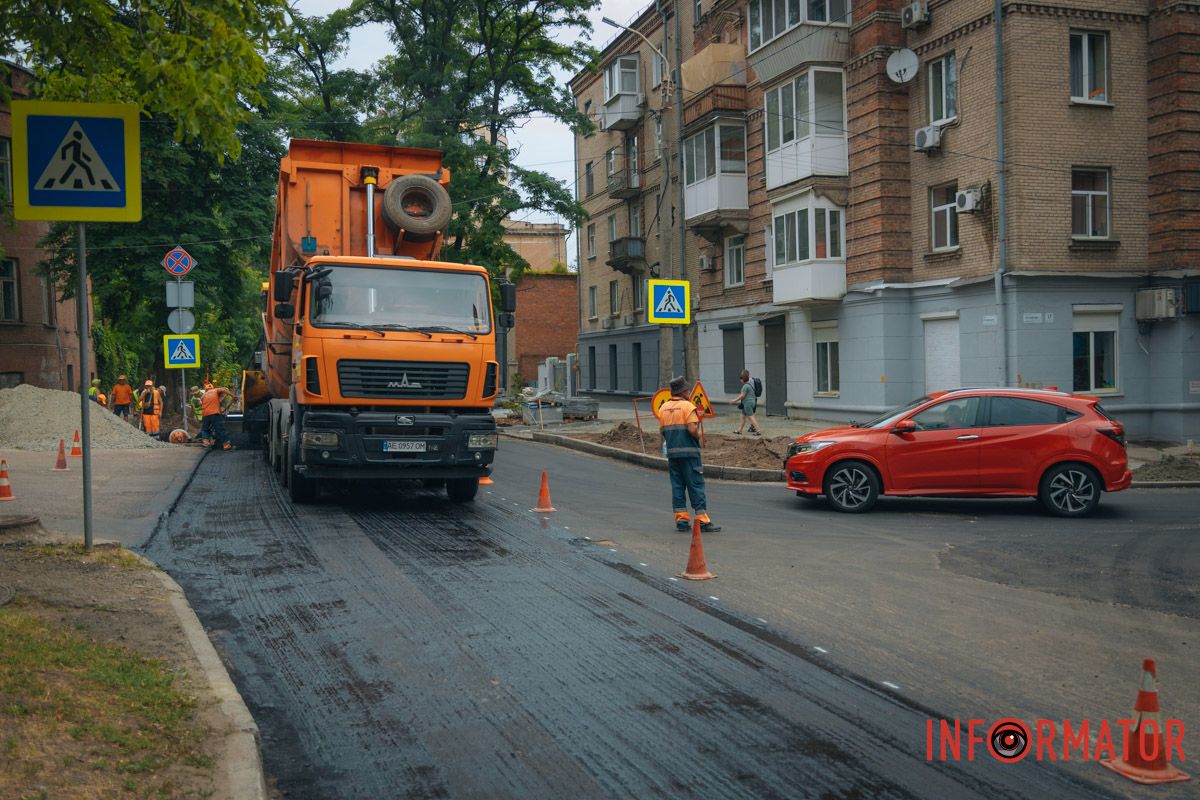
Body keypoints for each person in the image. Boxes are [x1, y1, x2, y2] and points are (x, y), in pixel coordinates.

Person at [658, 376, 721, 533]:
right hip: (690, 454)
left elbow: (662, 431)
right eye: (688, 390)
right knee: (696, 485)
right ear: (684, 391)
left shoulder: (663, 408)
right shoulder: (687, 406)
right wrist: (699, 436)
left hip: (673, 455)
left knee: (678, 486)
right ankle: (702, 520)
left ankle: (681, 521)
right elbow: (692, 428)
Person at [199, 382, 234, 450]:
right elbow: (224, 390)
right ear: (212, 388)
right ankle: (226, 445)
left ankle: (206, 443)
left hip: (205, 415)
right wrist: (233, 396)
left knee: (205, 429)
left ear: (206, 390)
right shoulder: (215, 390)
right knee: (219, 429)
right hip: (214, 414)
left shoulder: (203, 396)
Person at [731, 369, 761, 436]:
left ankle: (758, 431)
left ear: (743, 379)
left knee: (751, 417)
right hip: (750, 403)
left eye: (740, 378)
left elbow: (742, 396)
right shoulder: (749, 385)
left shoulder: (745, 386)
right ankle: (740, 430)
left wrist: (734, 400)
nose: (740, 380)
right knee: (742, 416)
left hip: (748, 404)